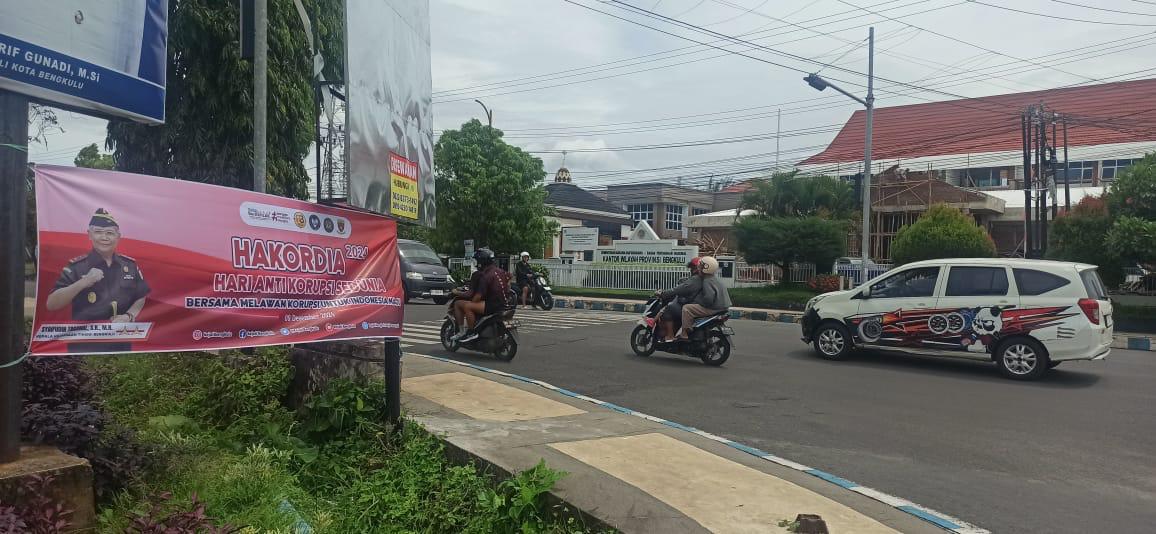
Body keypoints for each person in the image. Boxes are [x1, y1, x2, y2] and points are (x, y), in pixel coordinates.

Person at [45, 208, 150, 353]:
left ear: (118, 237)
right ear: (89, 234)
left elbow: (141, 296)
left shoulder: (129, 265)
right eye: (99, 232)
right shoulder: (77, 267)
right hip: (85, 346)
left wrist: (129, 316)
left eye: (109, 233)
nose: (104, 237)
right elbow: (52, 304)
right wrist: (83, 283)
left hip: (122, 343)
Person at [451, 248, 509, 342]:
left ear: (482, 261)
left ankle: (470, 332)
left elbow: (478, 296)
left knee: (467, 306)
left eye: (477, 260)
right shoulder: (501, 271)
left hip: (492, 305)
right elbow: (509, 283)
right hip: (504, 303)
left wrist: (470, 302)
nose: (477, 263)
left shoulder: (485, 276)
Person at [677, 256, 731, 340]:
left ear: (707, 268)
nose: (698, 268)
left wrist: (697, 303)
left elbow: (708, 299)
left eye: (701, 266)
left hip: (714, 308)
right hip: (723, 307)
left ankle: (685, 333)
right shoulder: (715, 278)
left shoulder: (707, 280)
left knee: (686, 308)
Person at [654, 257, 703, 343]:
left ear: (696, 268)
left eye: (692, 267)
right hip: (698, 304)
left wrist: (664, 293)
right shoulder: (705, 278)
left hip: (691, 305)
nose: (691, 269)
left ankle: (670, 336)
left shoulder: (695, 279)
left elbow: (677, 290)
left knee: (668, 309)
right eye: (691, 267)